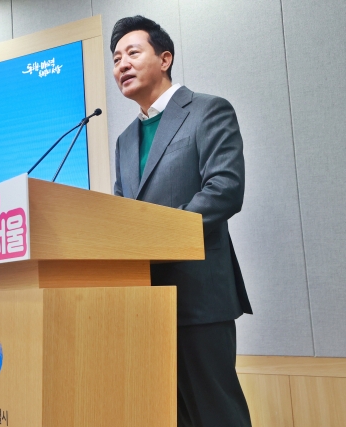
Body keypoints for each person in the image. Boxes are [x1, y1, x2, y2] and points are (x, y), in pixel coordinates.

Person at [111, 15, 253, 427]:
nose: (122, 64)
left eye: (133, 52)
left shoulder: (207, 110)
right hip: (146, 301)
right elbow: (122, 213)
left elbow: (225, 188)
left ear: (165, 58)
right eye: (116, 58)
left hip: (199, 296)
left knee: (216, 413)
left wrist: (154, 237)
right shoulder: (125, 140)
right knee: (172, 416)